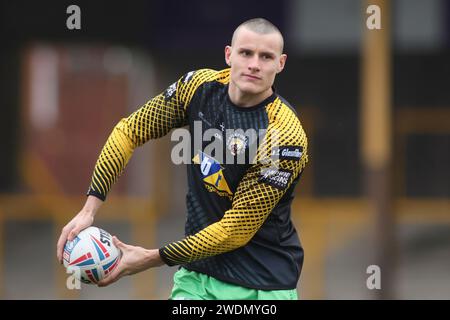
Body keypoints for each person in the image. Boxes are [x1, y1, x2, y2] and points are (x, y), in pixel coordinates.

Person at [56, 17, 308, 300]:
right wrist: (90, 209)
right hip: (196, 276)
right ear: (229, 55)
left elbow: (235, 231)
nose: (254, 64)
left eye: (266, 57)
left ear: (281, 63)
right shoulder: (198, 88)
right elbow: (129, 131)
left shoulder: (284, 135)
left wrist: (152, 258)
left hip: (261, 283)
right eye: (246, 53)